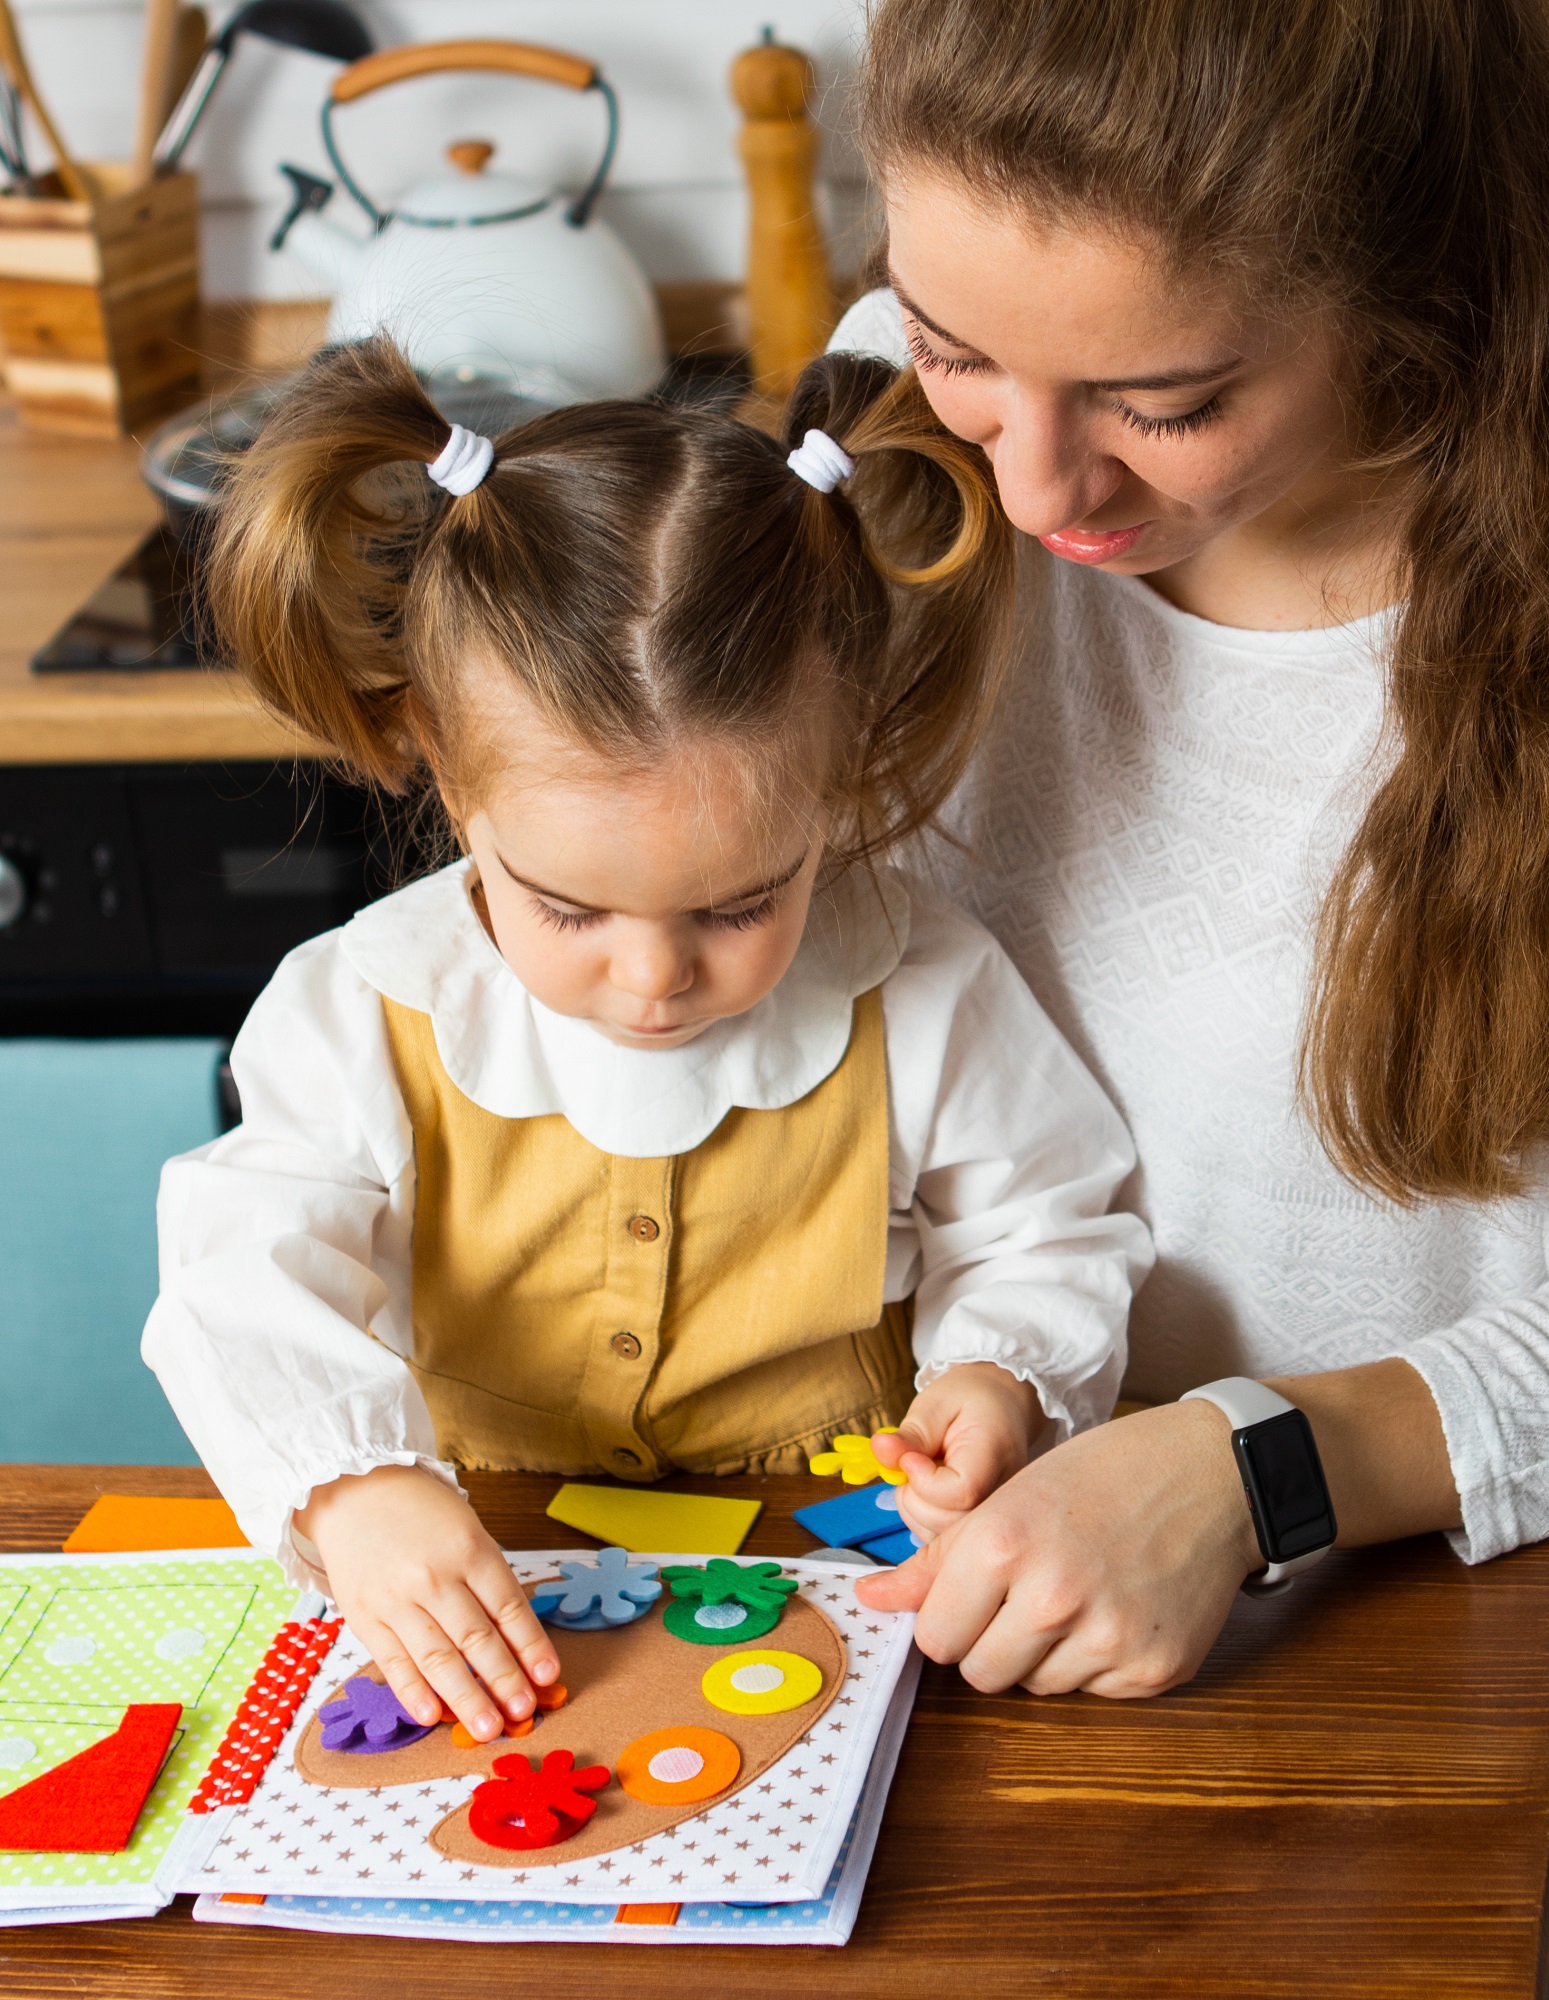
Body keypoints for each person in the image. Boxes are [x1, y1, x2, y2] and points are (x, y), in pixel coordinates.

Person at [834, 0, 1549, 1930]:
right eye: (955, 349)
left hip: (1421, 1603)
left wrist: (1244, 1471)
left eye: (1168, 405)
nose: (1033, 488)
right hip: (938, 1544)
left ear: (1424, 285)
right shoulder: (888, 436)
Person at [142, 338, 1150, 1748]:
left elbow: (1047, 1226)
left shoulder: (922, 982)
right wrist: (353, 1491)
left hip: (840, 1571)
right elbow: (237, 1277)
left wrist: (998, 1377)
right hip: (487, 1574)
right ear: (440, 756)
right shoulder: (361, 1005)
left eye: (744, 901)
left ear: (841, 766)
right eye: (567, 904)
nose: (656, 977)